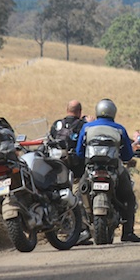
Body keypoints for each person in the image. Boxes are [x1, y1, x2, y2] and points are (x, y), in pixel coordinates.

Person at [76, 98, 140, 243]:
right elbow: (127, 155)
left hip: (91, 170)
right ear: (113, 112)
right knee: (129, 198)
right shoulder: (119, 129)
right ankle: (128, 232)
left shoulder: (87, 128)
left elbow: (79, 152)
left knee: (79, 195)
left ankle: (82, 230)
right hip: (114, 170)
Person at [50, 99, 95, 245]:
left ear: (67, 110)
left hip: (58, 171)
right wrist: (91, 123)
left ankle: (65, 229)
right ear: (80, 112)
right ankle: (82, 230)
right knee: (79, 199)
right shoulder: (83, 125)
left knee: (62, 200)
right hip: (78, 170)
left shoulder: (56, 125)